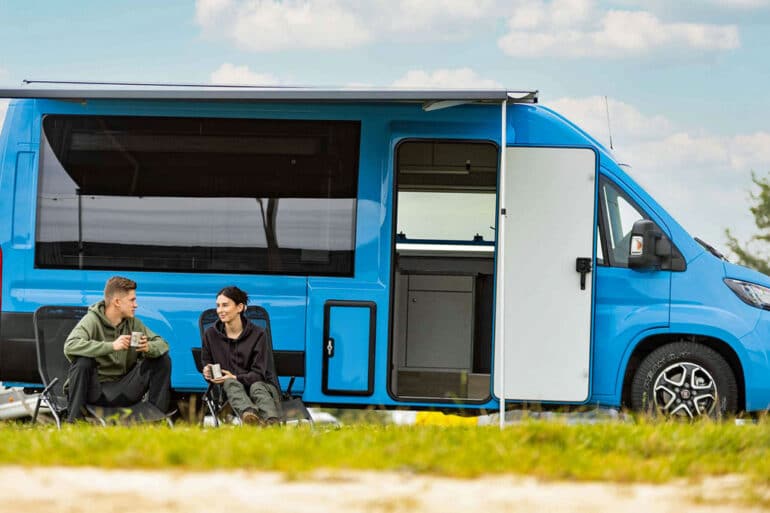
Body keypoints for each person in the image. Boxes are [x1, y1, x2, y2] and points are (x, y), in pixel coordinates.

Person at [63, 276, 172, 422]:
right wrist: (112, 346)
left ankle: (156, 415)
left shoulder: (133, 323)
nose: (136, 305)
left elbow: (163, 344)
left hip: (124, 390)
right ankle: (74, 421)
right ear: (117, 302)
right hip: (95, 392)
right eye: (132, 300)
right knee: (82, 362)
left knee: (162, 359)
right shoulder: (92, 320)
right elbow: (70, 345)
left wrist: (148, 347)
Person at [201, 286, 281, 425]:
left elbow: (259, 374)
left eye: (225, 305)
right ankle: (250, 417)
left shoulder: (258, 334)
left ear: (239, 307)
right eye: (218, 306)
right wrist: (207, 372)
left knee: (256, 386)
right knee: (230, 382)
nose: (220, 310)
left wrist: (236, 377)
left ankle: (271, 422)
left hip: (261, 388)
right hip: (229, 395)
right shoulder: (210, 334)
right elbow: (207, 363)